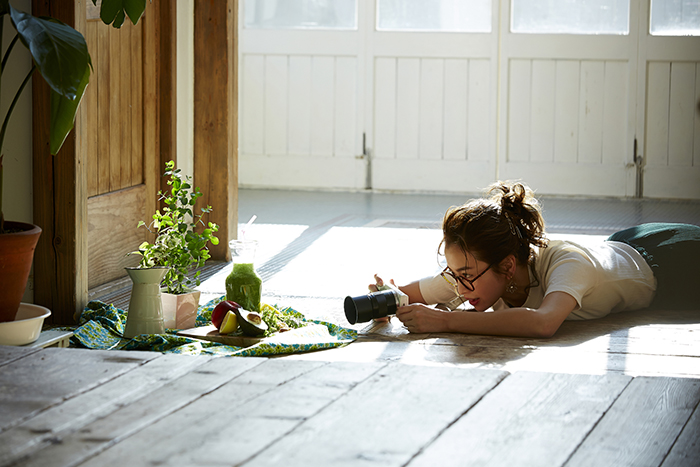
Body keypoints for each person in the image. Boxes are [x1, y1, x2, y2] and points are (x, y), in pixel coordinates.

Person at [371, 181, 700, 338]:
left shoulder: (568, 263)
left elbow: (544, 323)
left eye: (465, 274)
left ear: (508, 266)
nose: (458, 285)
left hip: (674, 262)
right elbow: (409, 294)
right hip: (623, 242)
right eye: (454, 274)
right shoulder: (476, 277)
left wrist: (444, 321)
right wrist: (387, 298)